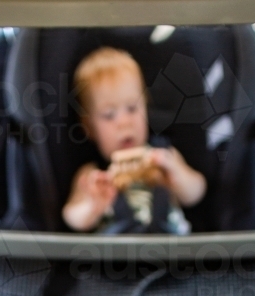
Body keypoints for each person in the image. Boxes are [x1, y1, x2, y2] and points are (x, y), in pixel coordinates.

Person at [62, 47, 207, 234]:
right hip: (117, 257)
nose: (124, 122)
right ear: (89, 127)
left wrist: (177, 174)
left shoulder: (165, 157)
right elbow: (71, 216)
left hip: (173, 253)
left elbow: (196, 193)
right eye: (109, 115)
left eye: (132, 108)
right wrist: (92, 205)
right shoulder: (93, 174)